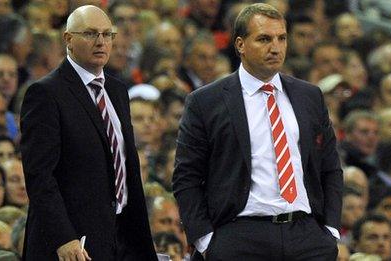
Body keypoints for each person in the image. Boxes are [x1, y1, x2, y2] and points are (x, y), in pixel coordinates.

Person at [173, 3, 343, 260]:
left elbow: (330, 167)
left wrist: (330, 229)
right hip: (240, 236)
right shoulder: (205, 102)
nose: (275, 48)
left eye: (281, 38)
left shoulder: (310, 95)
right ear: (240, 44)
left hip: (307, 235)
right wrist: (205, 241)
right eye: (264, 39)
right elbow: (187, 176)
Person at [19, 5, 156, 260]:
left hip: (121, 236)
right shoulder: (46, 93)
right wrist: (63, 237)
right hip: (72, 243)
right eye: (91, 34)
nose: (101, 42)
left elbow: (124, 164)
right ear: (68, 39)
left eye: (107, 34)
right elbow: (39, 176)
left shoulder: (117, 91)